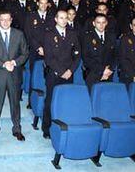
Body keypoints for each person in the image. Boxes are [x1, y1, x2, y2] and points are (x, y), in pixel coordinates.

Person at [0, 10, 29, 141]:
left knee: (15, 102)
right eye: (2, 19)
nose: (5, 22)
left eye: (8, 19)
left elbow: (25, 53)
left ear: (11, 20)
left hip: (15, 74)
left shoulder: (19, 34)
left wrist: (14, 62)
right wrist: (3, 64)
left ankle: (17, 128)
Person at [42, 10, 81, 139]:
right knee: (50, 101)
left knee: (65, 101)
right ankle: (47, 128)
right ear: (56, 19)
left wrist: (70, 70)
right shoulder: (48, 35)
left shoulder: (72, 34)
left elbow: (77, 55)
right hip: (54, 73)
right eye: (61, 18)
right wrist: (61, 71)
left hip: (69, 74)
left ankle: (64, 126)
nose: (64, 20)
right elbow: (49, 58)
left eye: (66, 18)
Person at [82, 13, 116, 90]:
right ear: (94, 23)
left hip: (108, 74)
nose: (101, 25)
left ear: (106, 23)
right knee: (94, 99)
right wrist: (102, 70)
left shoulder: (111, 36)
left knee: (107, 99)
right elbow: (86, 58)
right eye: (98, 22)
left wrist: (110, 69)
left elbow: (116, 55)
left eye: (103, 22)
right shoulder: (87, 37)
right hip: (93, 74)